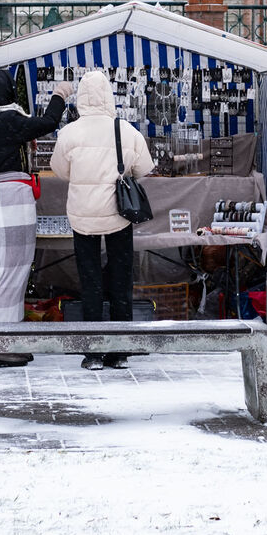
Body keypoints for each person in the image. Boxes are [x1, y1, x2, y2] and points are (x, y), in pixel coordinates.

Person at [0, 69, 72, 368]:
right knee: (14, 269)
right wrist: (59, 95)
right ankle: (2, 345)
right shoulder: (9, 120)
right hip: (11, 195)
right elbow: (48, 123)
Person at [50, 71, 155, 370]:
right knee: (121, 279)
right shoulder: (126, 130)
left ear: (81, 97)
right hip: (118, 216)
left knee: (90, 279)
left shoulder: (70, 132)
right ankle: (119, 351)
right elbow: (144, 168)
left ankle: (93, 351)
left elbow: (59, 170)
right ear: (109, 96)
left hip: (83, 217)